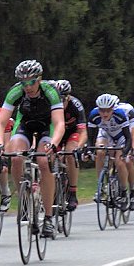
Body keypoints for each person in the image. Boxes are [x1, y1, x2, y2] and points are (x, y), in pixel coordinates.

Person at [0, 60, 65, 239]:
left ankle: (48, 217)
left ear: (39, 79)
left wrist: (53, 144)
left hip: (46, 126)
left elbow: (59, 123)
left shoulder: (50, 91)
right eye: (24, 82)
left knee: (43, 161)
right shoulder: (16, 92)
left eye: (32, 81)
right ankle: (24, 200)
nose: (28, 86)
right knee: (16, 157)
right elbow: (0, 123)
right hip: (25, 124)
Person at [86, 94, 134, 208]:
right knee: (99, 152)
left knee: (119, 161)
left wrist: (125, 152)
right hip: (105, 134)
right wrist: (89, 151)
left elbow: (128, 138)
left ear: (113, 108)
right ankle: (101, 187)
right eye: (102, 111)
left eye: (108, 111)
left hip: (120, 136)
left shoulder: (120, 115)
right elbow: (91, 138)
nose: (105, 114)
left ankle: (123, 191)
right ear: (98, 109)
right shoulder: (93, 115)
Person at [53, 79, 87, 211]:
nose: (60, 103)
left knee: (70, 154)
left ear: (68, 97)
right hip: (56, 133)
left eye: (62, 99)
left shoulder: (76, 105)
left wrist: (79, 146)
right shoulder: (50, 106)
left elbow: (83, 131)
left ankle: (72, 192)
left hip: (72, 133)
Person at [116, 99, 134, 209]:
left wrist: (133, 151)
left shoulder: (129, 113)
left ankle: (132, 192)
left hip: (130, 129)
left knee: (128, 160)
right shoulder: (109, 114)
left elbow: (133, 134)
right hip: (116, 129)